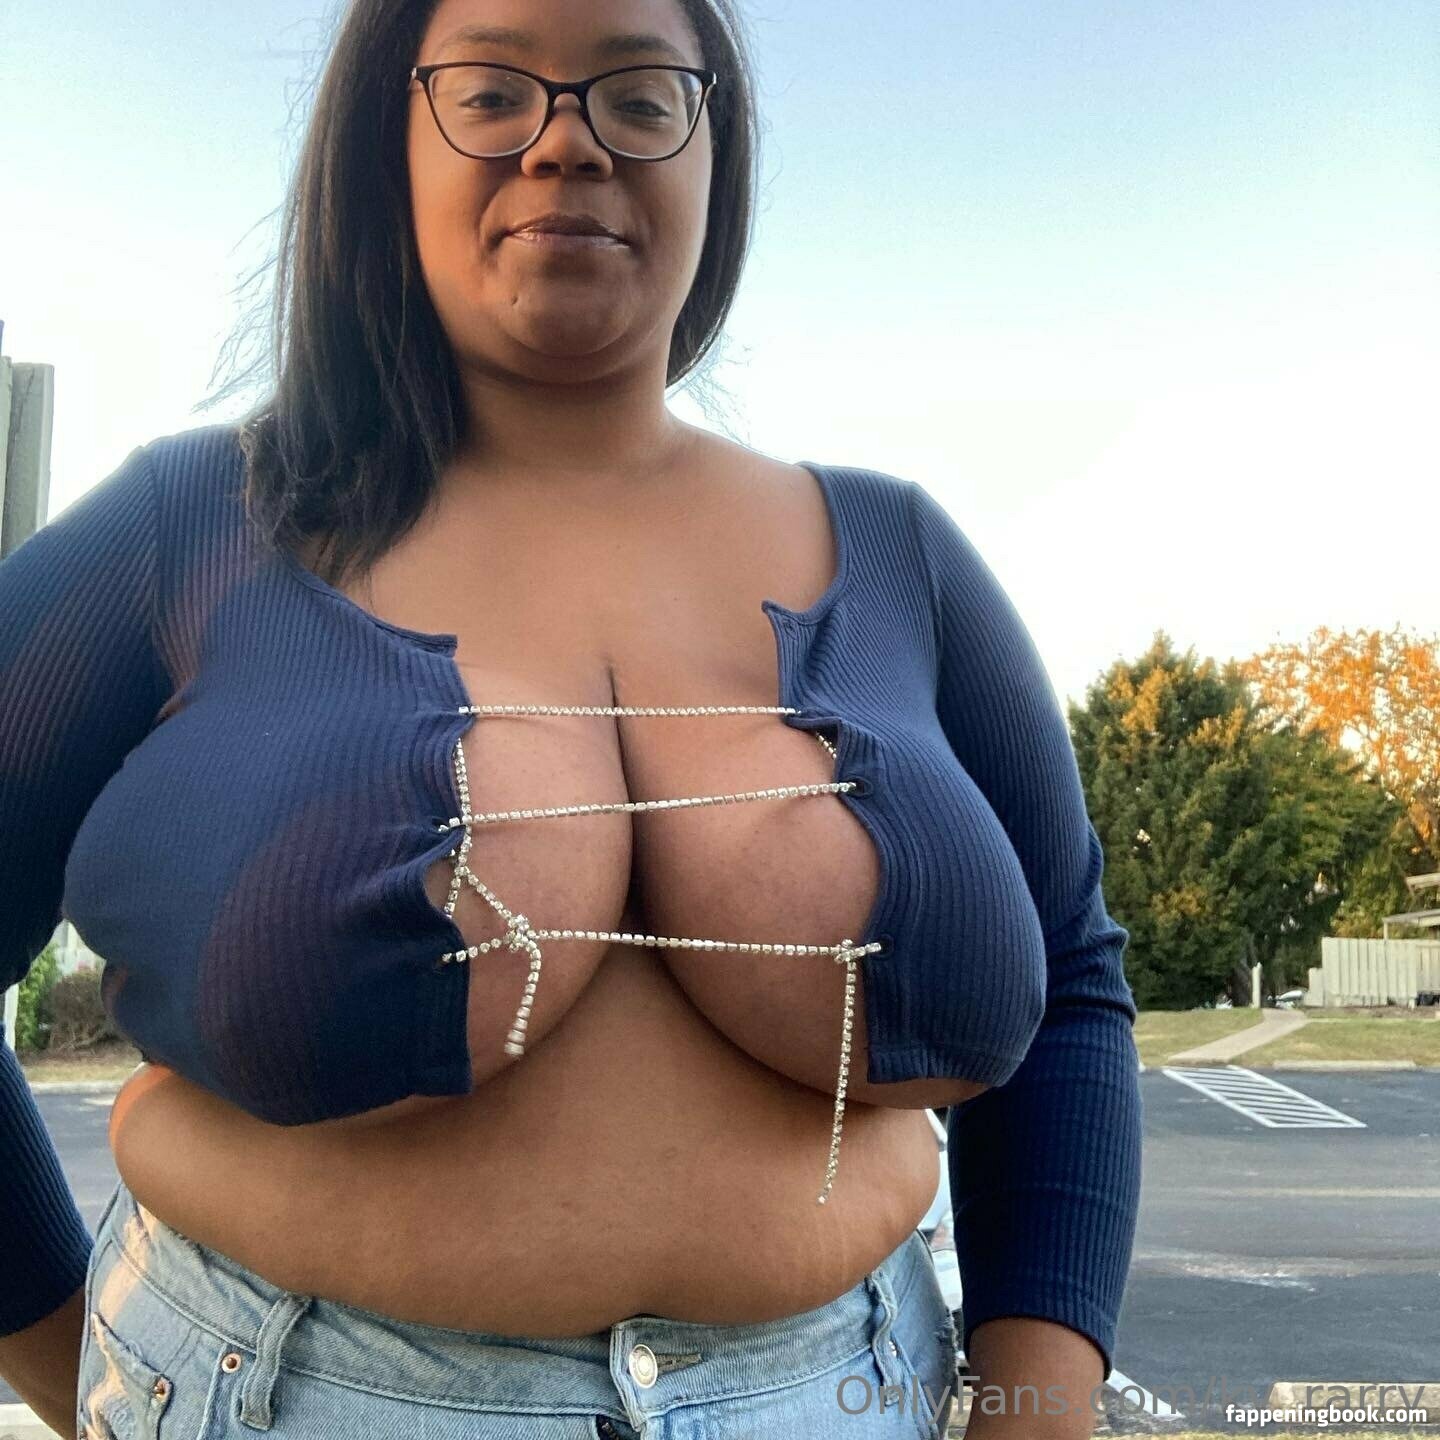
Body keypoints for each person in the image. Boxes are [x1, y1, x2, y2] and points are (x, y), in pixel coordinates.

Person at [0, 1, 1143, 1436]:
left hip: (859, 1391)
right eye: (491, 92)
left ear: (716, 158)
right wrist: (68, 1352)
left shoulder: (901, 554)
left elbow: (1074, 985)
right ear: (387, 144)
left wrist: (1036, 1399)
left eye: (640, 95)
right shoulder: (187, 529)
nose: (568, 145)